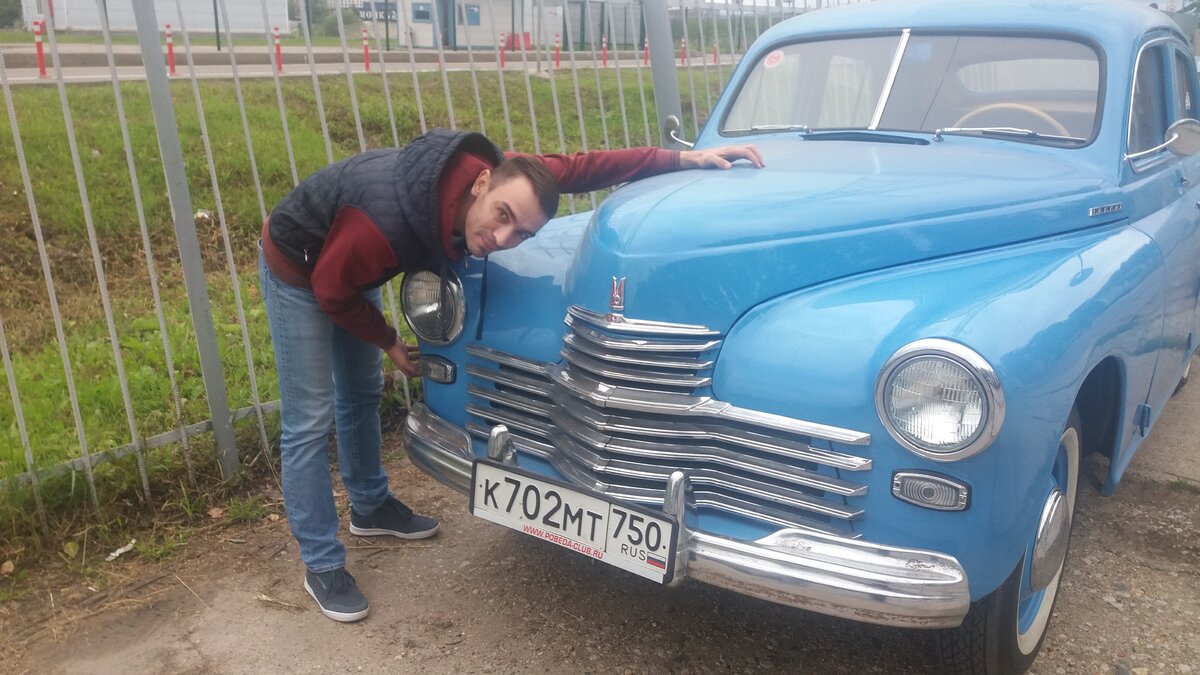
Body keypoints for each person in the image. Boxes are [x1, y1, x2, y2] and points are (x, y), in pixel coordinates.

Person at [259, 128, 764, 622]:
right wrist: (388, 339)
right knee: (309, 418)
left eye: (522, 233)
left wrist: (681, 160)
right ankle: (321, 563)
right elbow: (331, 290)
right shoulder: (381, 223)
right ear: (481, 184)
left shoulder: (512, 179)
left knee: (362, 391)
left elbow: (585, 167)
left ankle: (370, 507)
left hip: (351, 262)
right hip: (301, 267)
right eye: (502, 216)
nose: (502, 240)